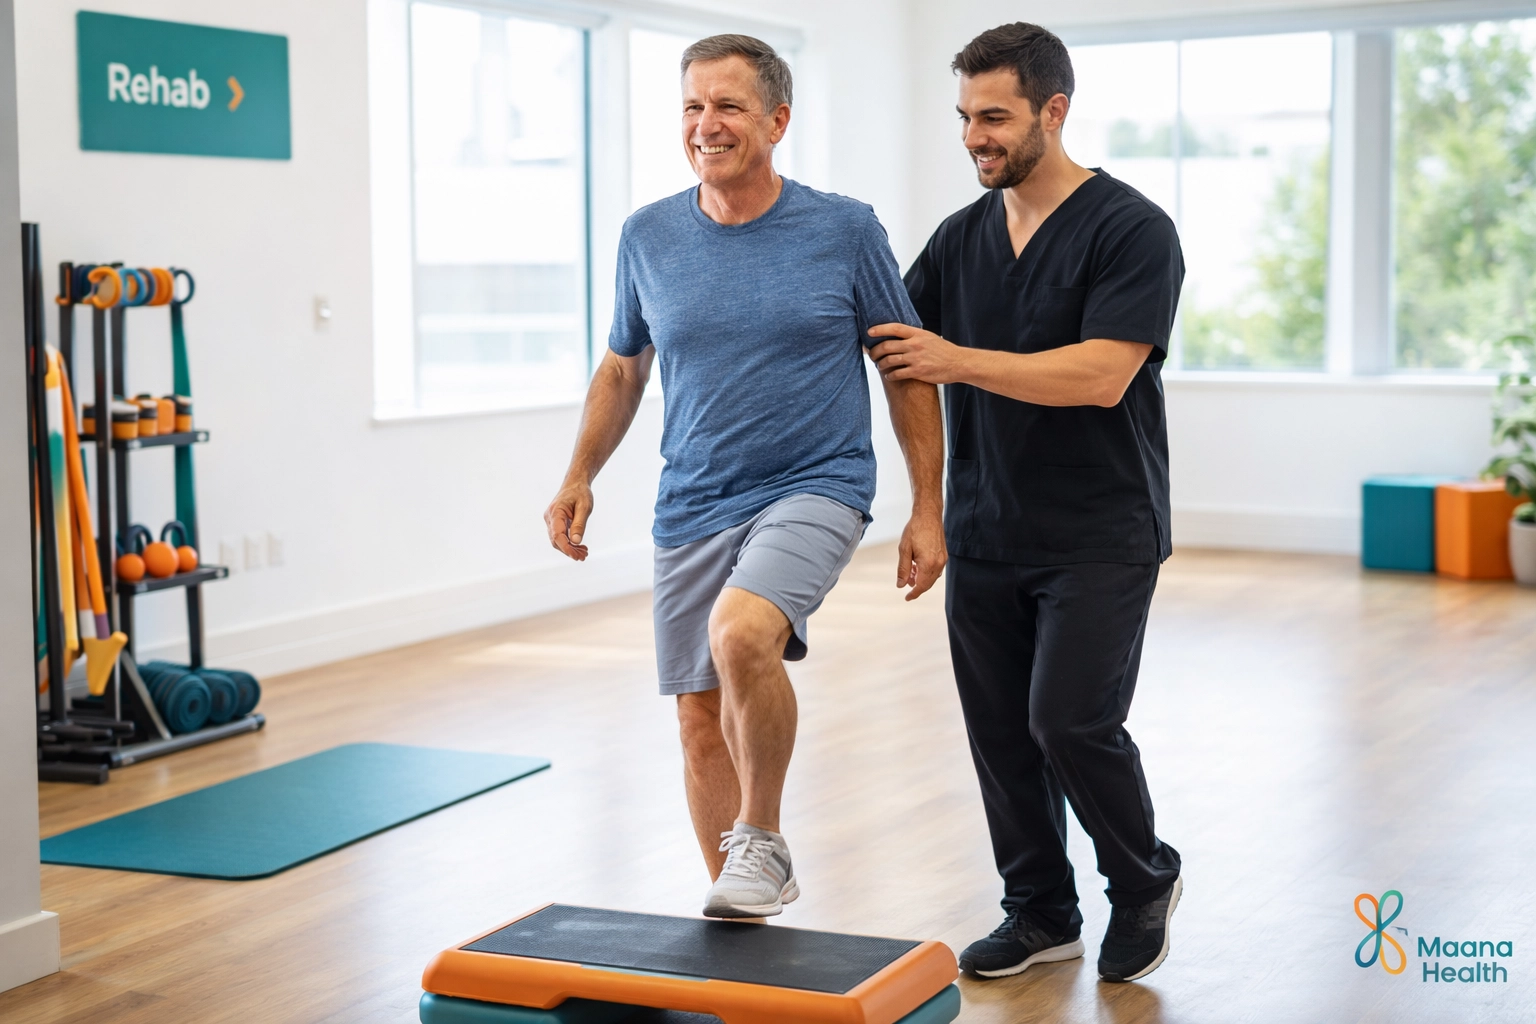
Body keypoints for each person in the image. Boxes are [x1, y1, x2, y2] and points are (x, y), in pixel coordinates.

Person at [543, 33, 945, 920]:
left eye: (727, 105)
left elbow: (903, 367)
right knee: (696, 723)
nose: (706, 123)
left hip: (817, 481)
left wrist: (927, 506)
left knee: (741, 635)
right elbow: (622, 368)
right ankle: (740, 912)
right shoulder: (647, 235)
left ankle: (761, 841)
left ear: (777, 119)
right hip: (691, 497)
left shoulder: (844, 229)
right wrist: (579, 474)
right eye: (692, 105)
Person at [868, 23, 1184, 983]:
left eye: (995, 116)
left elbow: (1100, 373)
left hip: (1101, 529)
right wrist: (926, 509)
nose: (975, 137)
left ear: (1055, 109)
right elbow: (893, 343)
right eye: (965, 118)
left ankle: (1142, 879)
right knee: (1001, 734)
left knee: (1068, 722)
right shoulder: (962, 239)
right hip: (987, 526)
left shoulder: (1132, 229)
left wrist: (958, 360)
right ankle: (1040, 910)